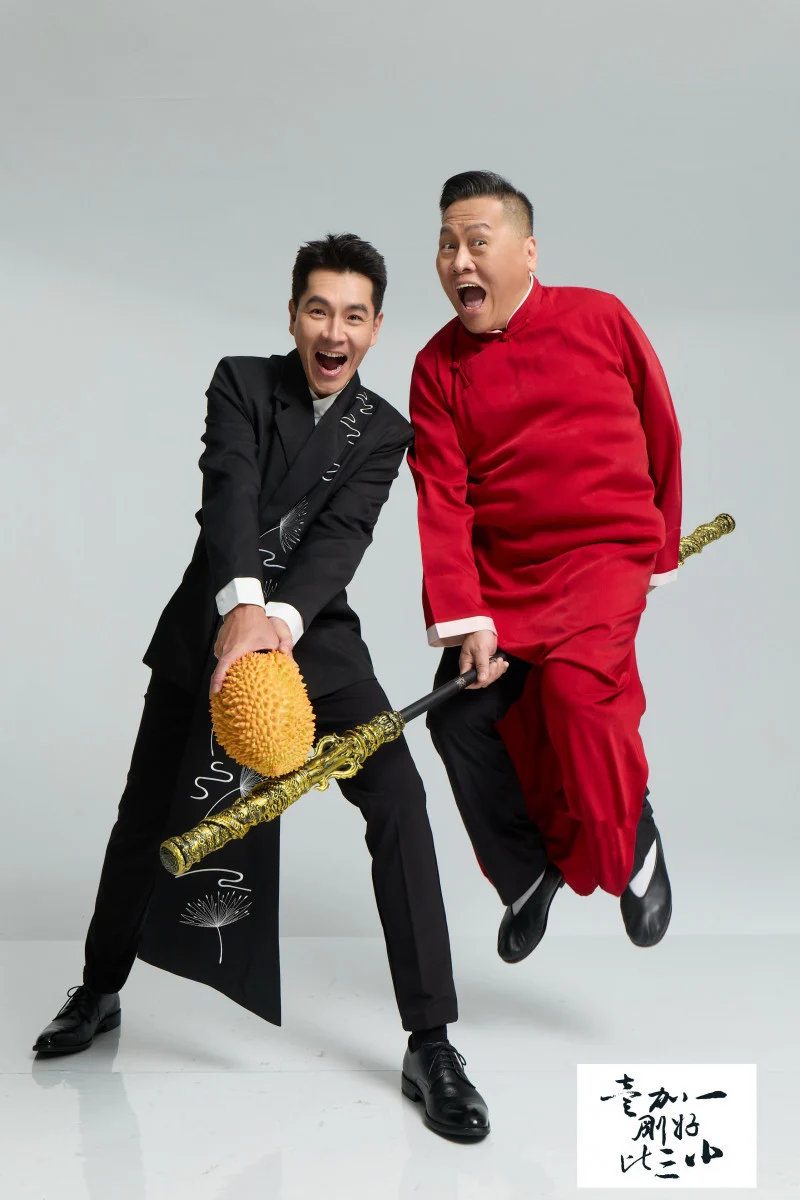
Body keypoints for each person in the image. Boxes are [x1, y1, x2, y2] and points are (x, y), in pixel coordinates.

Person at [33, 233, 489, 1141]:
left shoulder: (383, 430)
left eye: (353, 316)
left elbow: (341, 540)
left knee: (399, 800)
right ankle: (99, 989)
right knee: (146, 811)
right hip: (211, 621)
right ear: (292, 316)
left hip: (313, 636)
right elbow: (229, 493)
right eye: (318, 310)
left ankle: (432, 1042)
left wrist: (276, 622)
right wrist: (241, 607)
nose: (334, 332)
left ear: (376, 328)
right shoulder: (240, 382)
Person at [408, 172, 681, 963]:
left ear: (528, 253)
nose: (459, 260)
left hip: (604, 552)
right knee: (459, 719)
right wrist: (469, 618)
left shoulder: (600, 317)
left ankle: (631, 844)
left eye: (477, 242)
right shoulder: (436, 366)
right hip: (503, 581)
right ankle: (528, 874)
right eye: (447, 245)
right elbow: (442, 499)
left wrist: (659, 548)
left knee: (574, 694)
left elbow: (661, 425)